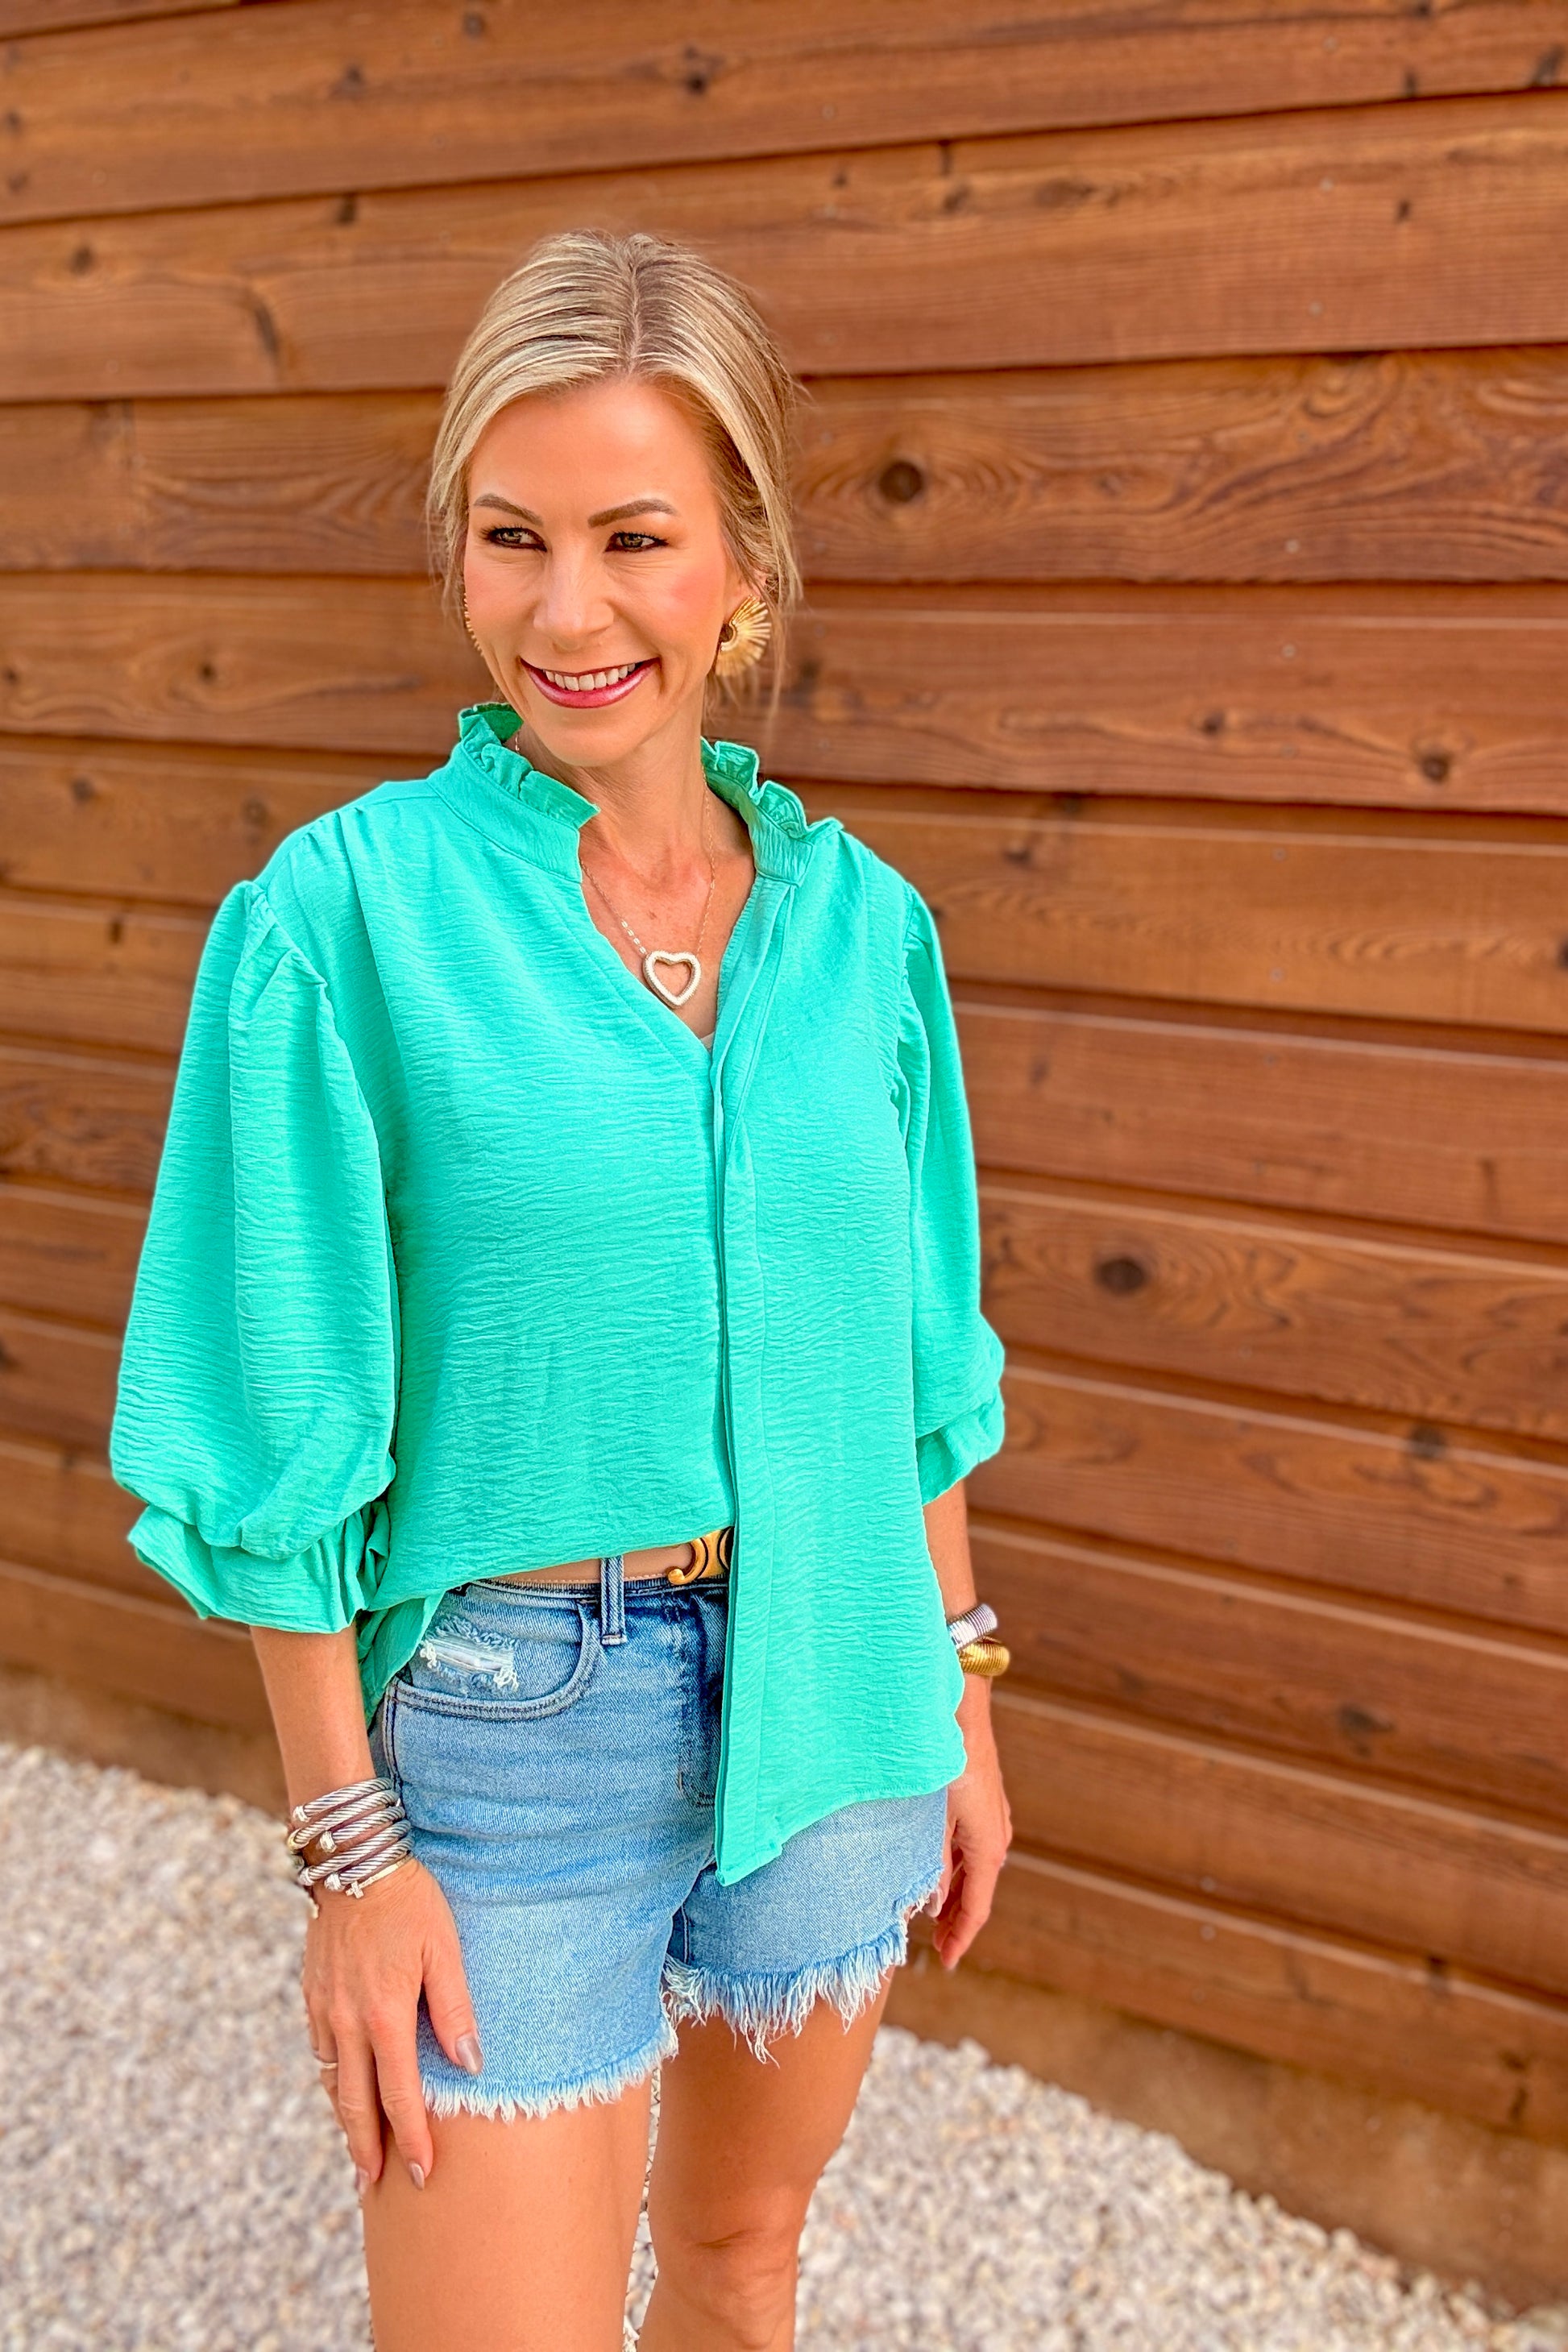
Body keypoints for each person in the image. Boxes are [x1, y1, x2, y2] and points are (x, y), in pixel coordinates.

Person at [110, 227, 1013, 2352]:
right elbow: (273, 1408)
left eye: (633, 539)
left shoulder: (863, 933)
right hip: (511, 1732)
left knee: (741, 2267)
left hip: (845, 1684)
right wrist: (351, 1858)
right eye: (511, 537)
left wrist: (960, 1690)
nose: (567, 611)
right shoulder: (338, 920)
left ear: (743, 566)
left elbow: (914, 1364)